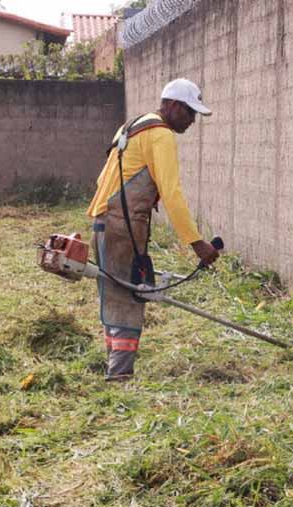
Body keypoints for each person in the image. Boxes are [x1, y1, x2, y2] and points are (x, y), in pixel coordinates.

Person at [85, 78, 219, 381]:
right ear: (172, 106)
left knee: (114, 294)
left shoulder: (132, 126)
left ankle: (114, 366)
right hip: (123, 228)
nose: (192, 121)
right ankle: (119, 376)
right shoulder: (160, 135)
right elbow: (172, 192)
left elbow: (103, 179)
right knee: (130, 297)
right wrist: (197, 243)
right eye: (189, 112)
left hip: (103, 224)